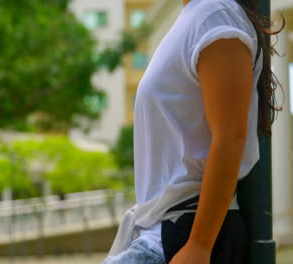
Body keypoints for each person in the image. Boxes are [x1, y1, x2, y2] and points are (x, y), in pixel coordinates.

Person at [104, 0, 284, 263]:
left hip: (182, 234)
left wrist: (199, 245)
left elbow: (230, 137)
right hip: (164, 233)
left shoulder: (215, 15)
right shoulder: (195, 16)